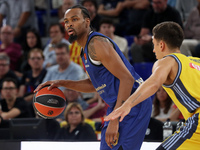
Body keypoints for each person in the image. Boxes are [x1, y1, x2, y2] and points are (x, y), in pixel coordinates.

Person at [35, 5, 152, 150]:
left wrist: (115, 119)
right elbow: (94, 85)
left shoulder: (96, 44)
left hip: (132, 104)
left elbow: (127, 79)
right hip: (118, 107)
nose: (69, 24)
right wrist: (60, 83)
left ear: (87, 22)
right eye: (66, 21)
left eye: (75, 19)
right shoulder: (84, 50)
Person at [105, 21, 200, 150]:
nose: (154, 50)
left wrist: (127, 104)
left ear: (161, 45)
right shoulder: (196, 61)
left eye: (154, 45)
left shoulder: (167, 61)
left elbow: (154, 83)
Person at [18, 48, 47, 117]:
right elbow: (20, 93)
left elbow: (44, 93)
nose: (36, 61)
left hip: (40, 102)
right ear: (28, 61)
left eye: (38, 58)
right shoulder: (26, 75)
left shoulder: (46, 74)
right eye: (33, 58)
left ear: (43, 60)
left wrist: (26, 100)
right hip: (25, 103)